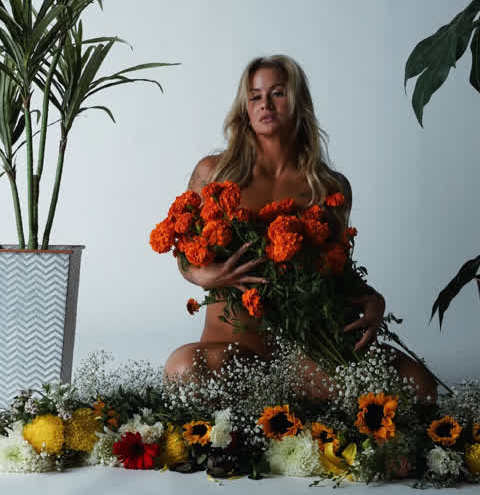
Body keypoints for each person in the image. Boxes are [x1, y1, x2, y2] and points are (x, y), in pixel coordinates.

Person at [163, 55, 437, 402]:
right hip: (235, 353)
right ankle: (289, 405)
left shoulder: (328, 186)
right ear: (245, 107)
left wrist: (374, 300)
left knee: (421, 386)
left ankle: (283, 402)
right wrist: (205, 275)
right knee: (183, 367)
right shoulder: (213, 172)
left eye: (277, 93)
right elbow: (184, 251)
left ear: (298, 102)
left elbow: (335, 271)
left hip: (304, 355)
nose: (265, 104)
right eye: (255, 96)